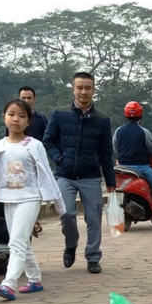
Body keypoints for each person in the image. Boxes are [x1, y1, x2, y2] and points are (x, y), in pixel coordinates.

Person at [0, 99, 66, 301]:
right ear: (4, 118)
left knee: (16, 243)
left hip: (30, 199)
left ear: (28, 122)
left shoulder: (35, 145)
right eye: (11, 114)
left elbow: (46, 173)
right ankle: (35, 280)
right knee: (22, 244)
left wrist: (60, 205)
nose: (16, 119)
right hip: (8, 200)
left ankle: (8, 285)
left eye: (21, 116)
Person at [43, 72, 116, 274]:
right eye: (80, 88)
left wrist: (110, 181)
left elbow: (106, 153)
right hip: (65, 175)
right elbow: (47, 141)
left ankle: (93, 256)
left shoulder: (102, 120)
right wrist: (60, 158)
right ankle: (71, 245)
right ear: (73, 89)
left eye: (88, 88)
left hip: (90, 176)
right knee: (66, 213)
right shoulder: (59, 114)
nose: (84, 92)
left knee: (94, 218)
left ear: (93, 90)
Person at [113, 101, 152, 225]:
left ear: (125, 114)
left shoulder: (118, 131)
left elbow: (115, 147)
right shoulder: (144, 132)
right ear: (140, 115)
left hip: (121, 166)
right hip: (140, 167)